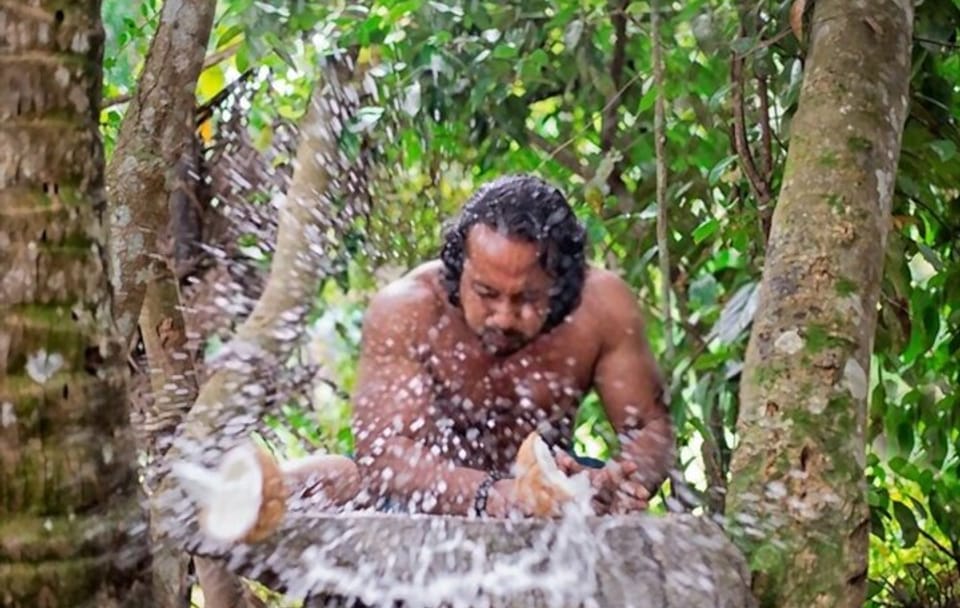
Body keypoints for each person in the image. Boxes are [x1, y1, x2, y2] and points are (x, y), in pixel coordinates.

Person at [348, 173, 675, 517]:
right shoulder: (408, 308)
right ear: (459, 268)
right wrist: (491, 494)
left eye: (528, 298)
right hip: (433, 488)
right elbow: (382, 450)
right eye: (486, 293)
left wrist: (618, 483)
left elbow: (649, 428)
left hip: (556, 487)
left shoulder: (602, 307)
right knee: (331, 479)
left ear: (562, 282)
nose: (504, 317)